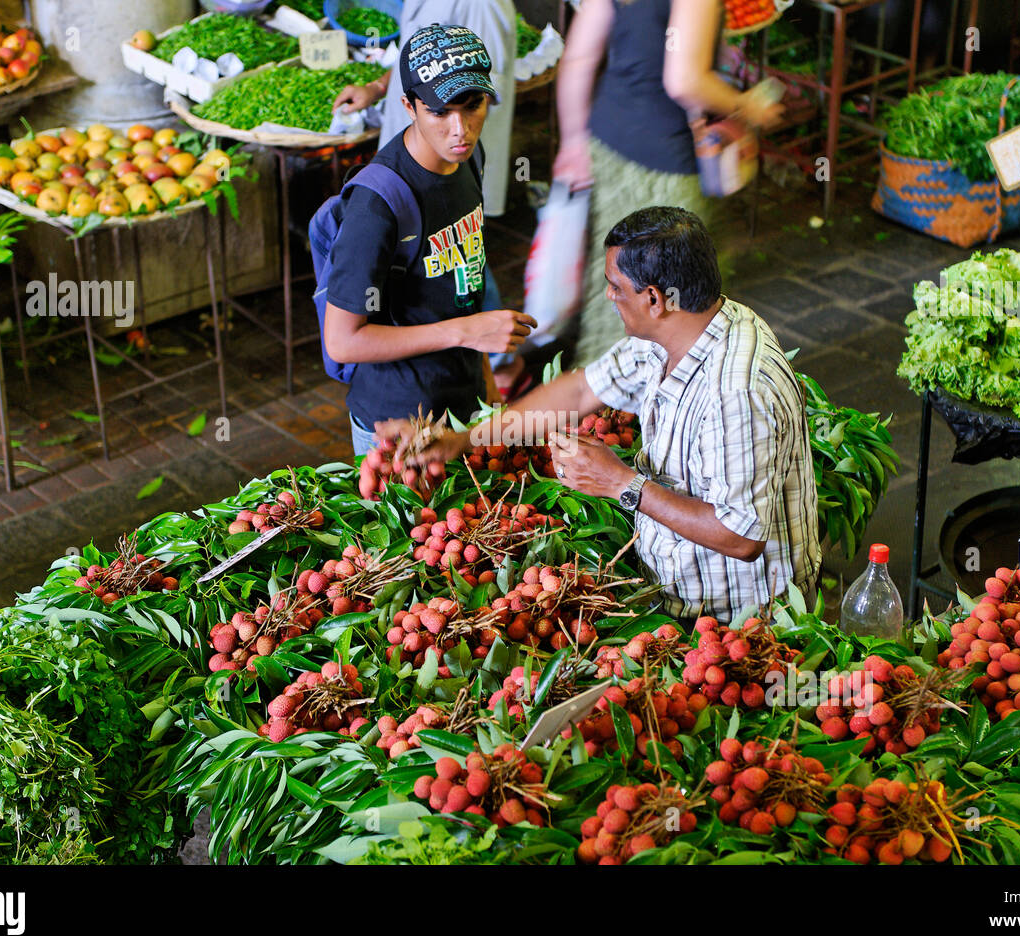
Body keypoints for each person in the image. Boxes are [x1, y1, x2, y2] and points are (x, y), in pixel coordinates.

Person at [380, 206, 820, 621]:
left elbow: (741, 536)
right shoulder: (675, 331)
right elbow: (577, 392)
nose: (608, 295)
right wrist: (464, 440)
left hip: (740, 618)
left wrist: (621, 484)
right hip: (678, 593)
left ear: (654, 299)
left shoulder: (736, 393)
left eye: (616, 286)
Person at [321, 24, 535, 455]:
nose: (461, 129)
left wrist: (489, 392)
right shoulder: (377, 203)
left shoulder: (470, 159)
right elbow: (342, 341)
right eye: (440, 111)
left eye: (472, 105)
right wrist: (466, 331)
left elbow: (465, 285)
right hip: (399, 419)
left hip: (465, 406)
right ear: (408, 106)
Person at [554, 0, 783, 367]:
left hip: (609, 143)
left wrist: (572, 141)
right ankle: (658, 410)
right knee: (675, 309)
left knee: (616, 295)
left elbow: (579, 57)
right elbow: (684, 81)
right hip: (663, 168)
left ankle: (599, 404)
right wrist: (747, 105)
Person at [333, 0, 517, 220]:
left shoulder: (479, 4)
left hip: (443, 172)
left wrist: (430, 173)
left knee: (440, 235)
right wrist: (377, 87)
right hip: (413, 156)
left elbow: (481, 89)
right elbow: (422, 61)